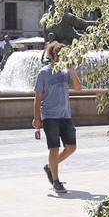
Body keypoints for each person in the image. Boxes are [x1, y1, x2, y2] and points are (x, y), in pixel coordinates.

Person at [34, 42, 82, 193]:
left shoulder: (66, 72)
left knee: (71, 148)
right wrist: (37, 119)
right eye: (58, 54)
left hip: (65, 115)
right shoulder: (44, 73)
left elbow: (78, 88)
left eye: (64, 55)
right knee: (54, 148)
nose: (61, 57)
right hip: (49, 116)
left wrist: (72, 69)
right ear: (53, 55)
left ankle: (50, 167)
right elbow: (37, 98)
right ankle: (56, 181)